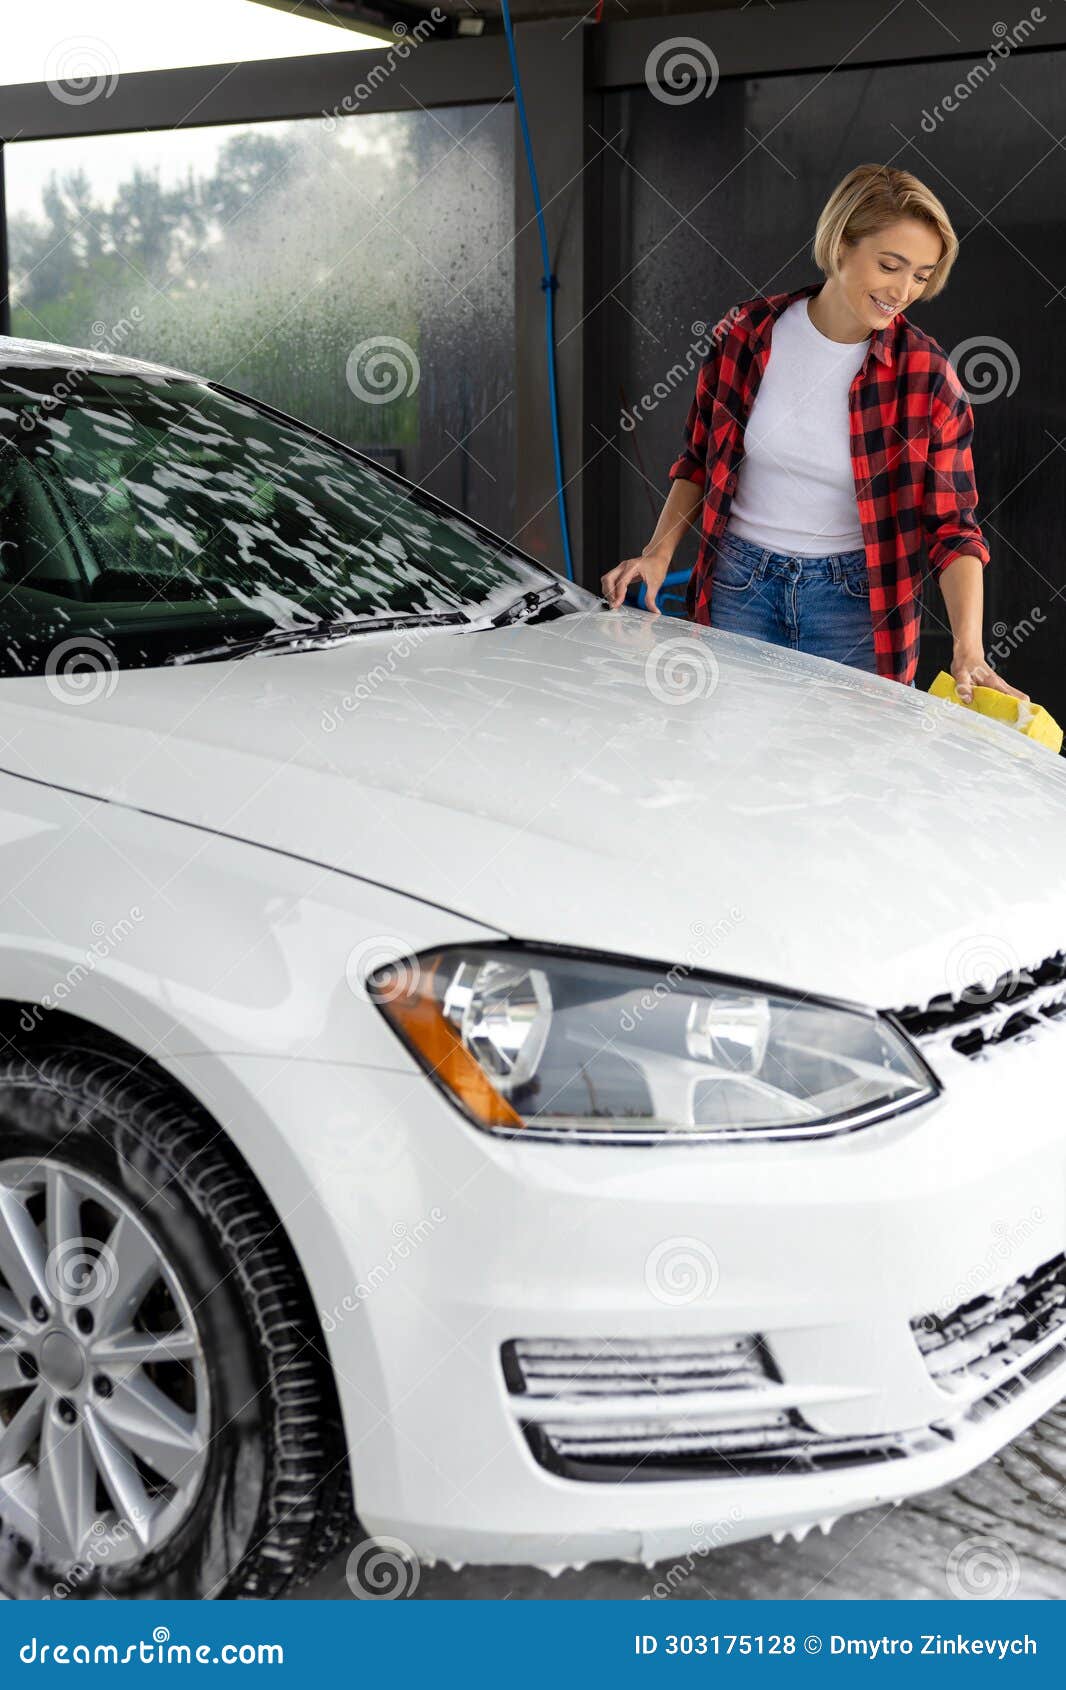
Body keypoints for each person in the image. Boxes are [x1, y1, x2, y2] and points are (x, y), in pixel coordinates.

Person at [601, 162, 1026, 704]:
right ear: (842, 243)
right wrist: (658, 553)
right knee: (724, 766)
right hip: (738, 587)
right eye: (890, 265)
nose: (902, 290)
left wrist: (969, 648)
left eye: (920, 275)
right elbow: (700, 460)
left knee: (847, 777)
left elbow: (953, 527)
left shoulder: (926, 375)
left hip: (855, 603)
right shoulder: (746, 335)